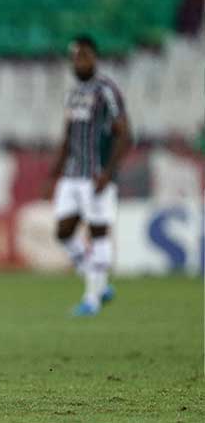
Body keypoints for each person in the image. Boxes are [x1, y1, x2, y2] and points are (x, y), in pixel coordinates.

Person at [45, 34, 131, 317]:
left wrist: (108, 172)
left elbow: (124, 133)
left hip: (96, 175)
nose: (79, 61)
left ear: (95, 57)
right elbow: (68, 135)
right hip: (71, 175)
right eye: (75, 56)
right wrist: (54, 172)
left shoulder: (107, 90)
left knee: (98, 235)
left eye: (84, 55)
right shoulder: (74, 93)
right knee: (63, 232)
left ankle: (92, 300)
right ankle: (99, 282)